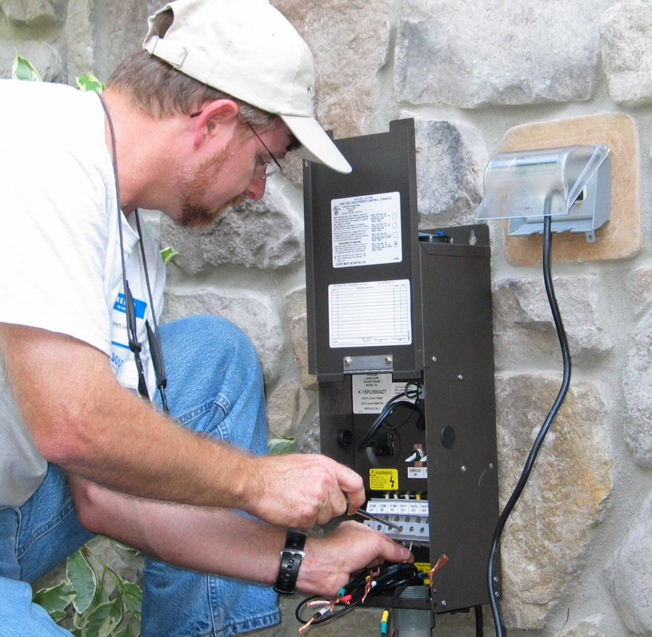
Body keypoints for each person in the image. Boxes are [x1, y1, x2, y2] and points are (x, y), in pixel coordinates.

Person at [0, 0, 411, 635]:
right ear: (214, 122)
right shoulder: (37, 150)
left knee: (211, 357)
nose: (255, 191)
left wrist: (305, 562)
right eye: (263, 161)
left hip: (11, 515)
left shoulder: (131, 236)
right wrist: (254, 483)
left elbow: (103, 494)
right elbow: (72, 425)